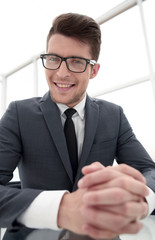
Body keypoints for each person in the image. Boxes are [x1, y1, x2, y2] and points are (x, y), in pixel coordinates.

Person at [0, 12, 155, 240]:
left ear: (94, 70)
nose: (61, 73)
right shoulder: (19, 114)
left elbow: (149, 170)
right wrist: (62, 209)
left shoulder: (114, 115)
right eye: (53, 58)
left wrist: (141, 200)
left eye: (76, 62)